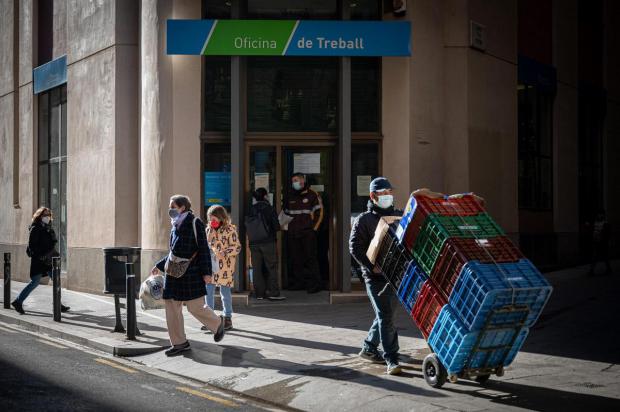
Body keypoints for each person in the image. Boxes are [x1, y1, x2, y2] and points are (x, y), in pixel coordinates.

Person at [152, 195, 225, 357]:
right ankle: (179, 343)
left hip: (191, 273)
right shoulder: (174, 225)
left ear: (182, 207)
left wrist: (207, 272)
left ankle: (218, 323)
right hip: (173, 273)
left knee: (195, 307)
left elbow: (204, 249)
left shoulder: (194, 222)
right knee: (171, 307)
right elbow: (174, 253)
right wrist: (159, 265)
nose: (170, 209)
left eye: (173, 206)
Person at [349, 177, 403, 375]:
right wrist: (372, 267)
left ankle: (369, 348)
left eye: (390, 192)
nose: (388, 196)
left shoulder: (399, 216)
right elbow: (354, 247)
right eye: (383, 193)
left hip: (395, 275)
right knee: (386, 316)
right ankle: (392, 358)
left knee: (384, 315)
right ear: (373, 196)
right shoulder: (364, 219)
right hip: (375, 278)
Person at [12, 207, 70, 315]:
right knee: (35, 282)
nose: (47, 217)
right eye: (45, 215)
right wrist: (40, 256)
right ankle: (18, 302)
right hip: (39, 260)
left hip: (48, 259)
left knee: (56, 279)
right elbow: (31, 246)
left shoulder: (47, 227)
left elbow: (50, 242)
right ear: (39, 216)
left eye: (48, 215)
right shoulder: (35, 227)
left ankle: (58, 304)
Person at [283, 173, 323, 294]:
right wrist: (286, 229)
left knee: (310, 259)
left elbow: (320, 213)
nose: (294, 183)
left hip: (307, 233)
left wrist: (314, 229)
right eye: (292, 181)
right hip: (293, 233)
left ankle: (315, 284)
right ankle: (299, 283)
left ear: (302, 181)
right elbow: (285, 214)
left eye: (296, 180)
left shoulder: (312, 195)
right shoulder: (289, 196)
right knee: (296, 259)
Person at [204, 205, 242, 331]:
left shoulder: (230, 230)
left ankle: (227, 318)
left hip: (225, 266)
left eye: (214, 218)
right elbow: (205, 245)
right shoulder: (208, 230)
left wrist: (224, 253)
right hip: (211, 266)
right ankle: (210, 319)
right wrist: (210, 235)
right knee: (208, 291)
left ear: (221, 217)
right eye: (209, 218)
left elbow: (237, 247)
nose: (211, 221)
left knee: (225, 293)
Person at [247, 188, 285, 301]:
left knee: (257, 268)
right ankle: (273, 292)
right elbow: (276, 226)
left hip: (254, 243)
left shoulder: (251, 209)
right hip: (268, 242)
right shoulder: (269, 208)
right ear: (265, 196)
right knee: (271, 267)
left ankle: (259, 294)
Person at [589, 210, 612, 276]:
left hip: (602, 242)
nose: (599, 216)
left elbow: (607, 234)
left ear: (603, 215)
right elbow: (594, 231)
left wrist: (604, 240)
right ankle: (591, 270)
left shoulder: (605, 223)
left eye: (601, 214)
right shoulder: (595, 222)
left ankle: (608, 268)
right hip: (596, 242)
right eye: (599, 214)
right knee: (595, 256)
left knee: (604, 256)